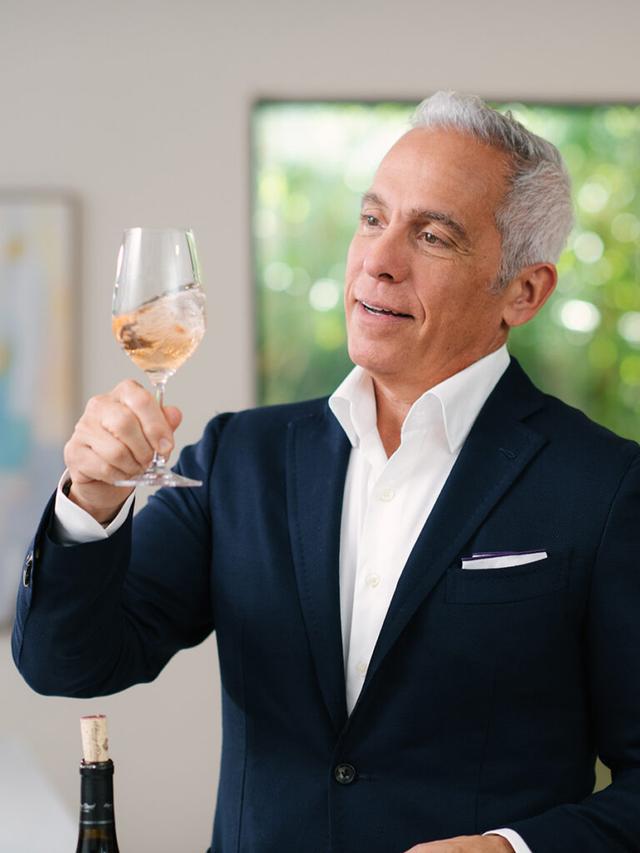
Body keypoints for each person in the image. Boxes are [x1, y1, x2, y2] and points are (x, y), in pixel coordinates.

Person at [12, 92, 640, 853]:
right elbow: (65, 660)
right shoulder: (242, 456)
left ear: (523, 291)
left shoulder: (606, 489)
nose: (378, 259)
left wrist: (512, 849)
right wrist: (89, 503)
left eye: (432, 235)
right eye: (372, 219)